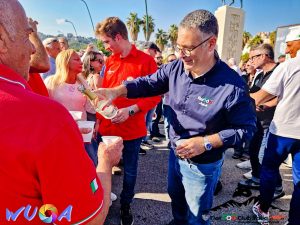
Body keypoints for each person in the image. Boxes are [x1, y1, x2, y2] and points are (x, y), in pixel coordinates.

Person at [95, 10, 256, 225]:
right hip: (175, 152)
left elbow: (246, 129)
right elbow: (148, 83)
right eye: (179, 47)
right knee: (176, 198)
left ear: (211, 43)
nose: (182, 54)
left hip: (202, 163)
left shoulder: (232, 85)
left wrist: (206, 142)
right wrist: (116, 91)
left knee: (197, 213)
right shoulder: (176, 68)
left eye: (189, 48)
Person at [0, 1, 123, 225]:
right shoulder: (48, 106)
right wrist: (106, 164)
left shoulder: (83, 83)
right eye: (27, 36)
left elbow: (92, 106)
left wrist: (99, 102)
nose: (33, 49)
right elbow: (88, 220)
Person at [95, 16, 161, 225]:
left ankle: (125, 204)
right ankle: (102, 203)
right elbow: (105, 95)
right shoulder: (110, 61)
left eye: (106, 42)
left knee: (130, 171)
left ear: (118, 37)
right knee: (103, 168)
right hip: (107, 128)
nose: (105, 47)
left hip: (132, 130)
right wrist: (98, 119)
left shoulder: (146, 61)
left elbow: (155, 95)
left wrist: (132, 110)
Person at [250, 28, 300, 225]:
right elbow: (281, 97)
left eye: (289, 44)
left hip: (283, 131)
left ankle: (263, 210)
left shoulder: (289, 66)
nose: (286, 51)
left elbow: (259, 97)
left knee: (269, 168)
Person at [238, 44, 285, 202]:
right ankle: (257, 178)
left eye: (253, 57)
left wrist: (266, 104)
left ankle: (277, 187)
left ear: (264, 56)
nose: (250, 61)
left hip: (272, 123)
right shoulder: (259, 74)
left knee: (264, 157)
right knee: (253, 152)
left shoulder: (280, 71)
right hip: (257, 121)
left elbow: (285, 95)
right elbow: (253, 93)